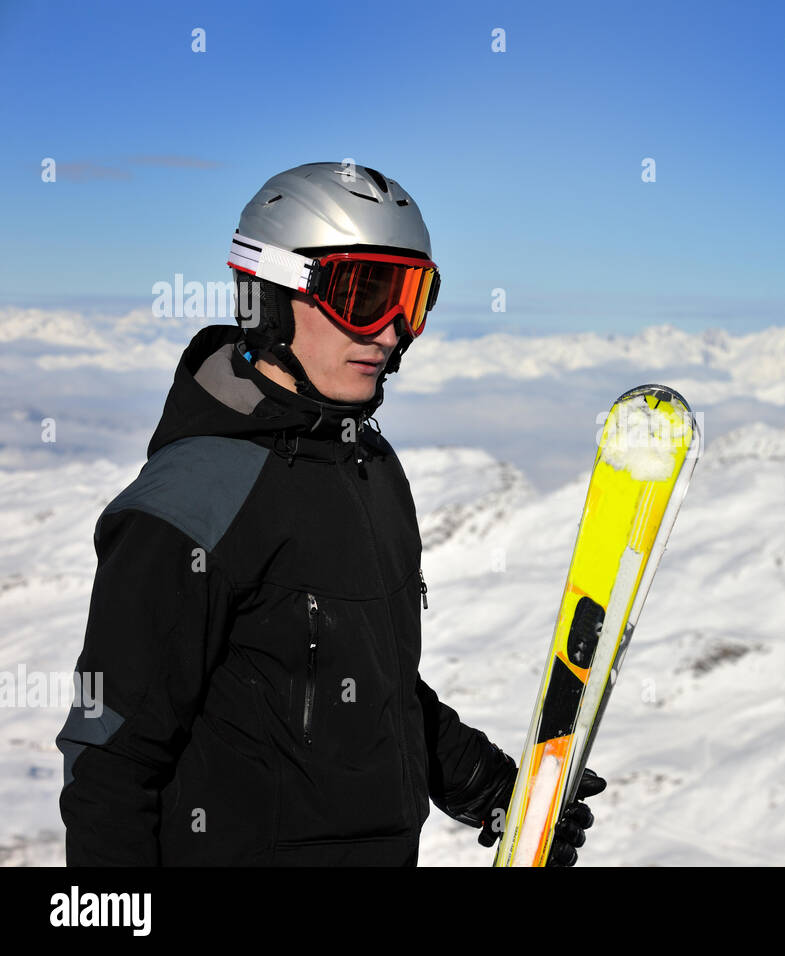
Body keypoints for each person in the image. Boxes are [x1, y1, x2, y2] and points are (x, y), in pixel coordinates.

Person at [55, 161, 604, 866]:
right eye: (364, 294)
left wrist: (492, 787)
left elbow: (372, 679)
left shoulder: (367, 466)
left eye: (412, 296)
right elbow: (111, 761)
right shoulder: (191, 504)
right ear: (272, 293)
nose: (391, 330)